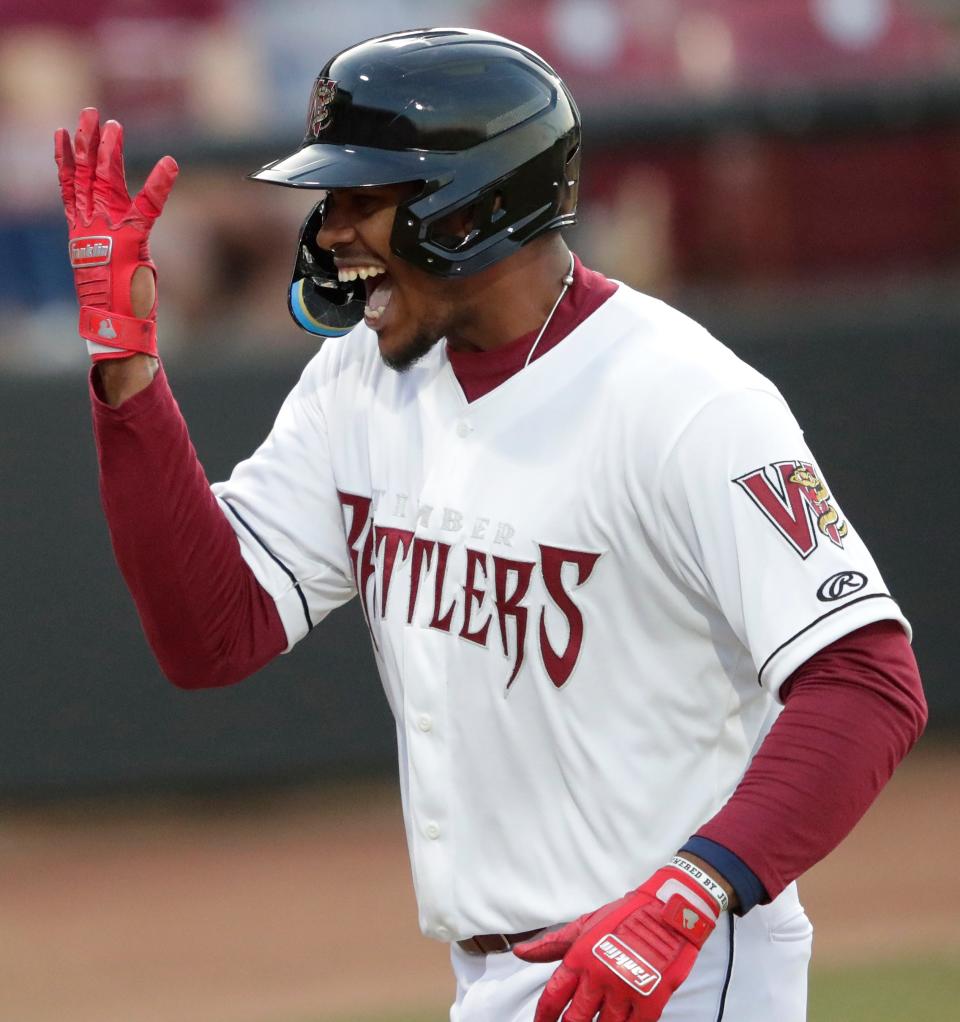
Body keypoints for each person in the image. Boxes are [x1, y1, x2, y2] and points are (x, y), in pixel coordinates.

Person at [54, 27, 926, 1022]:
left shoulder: (684, 399)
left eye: (362, 198)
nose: (330, 231)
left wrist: (691, 890)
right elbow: (213, 630)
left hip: (671, 971)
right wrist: (127, 372)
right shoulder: (362, 378)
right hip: (497, 977)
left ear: (470, 209)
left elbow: (866, 679)